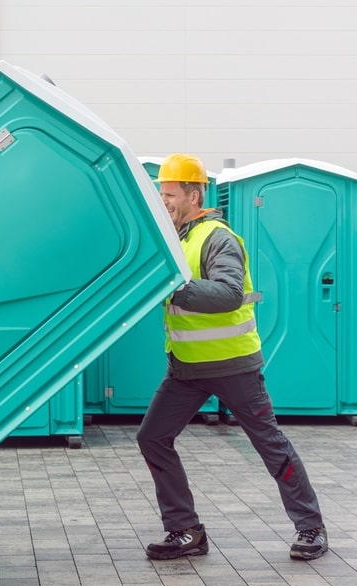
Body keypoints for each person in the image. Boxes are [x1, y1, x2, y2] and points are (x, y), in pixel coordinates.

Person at [137, 153, 327, 561]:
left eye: (171, 194)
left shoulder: (217, 238)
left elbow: (226, 295)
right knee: (152, 437)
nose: (164, 201)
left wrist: (172, 286)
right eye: (161, 194)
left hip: (233, 368)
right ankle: (185, 530)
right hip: (186, 369)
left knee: (270, 446)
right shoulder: (179, 238)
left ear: (194, 194)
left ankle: (311, 528)